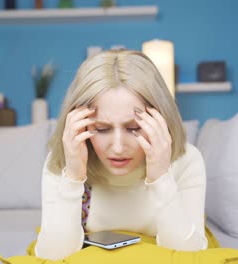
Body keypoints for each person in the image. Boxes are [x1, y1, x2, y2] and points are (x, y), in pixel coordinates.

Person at [35, 50, 207, 260]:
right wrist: (73, 176)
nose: (117, 148)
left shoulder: (187, 161)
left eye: (134, 128)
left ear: (161, 119)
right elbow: (51, 256)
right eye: (101, 128)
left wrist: (161, 177)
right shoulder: (62, 160)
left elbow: (189, 255)